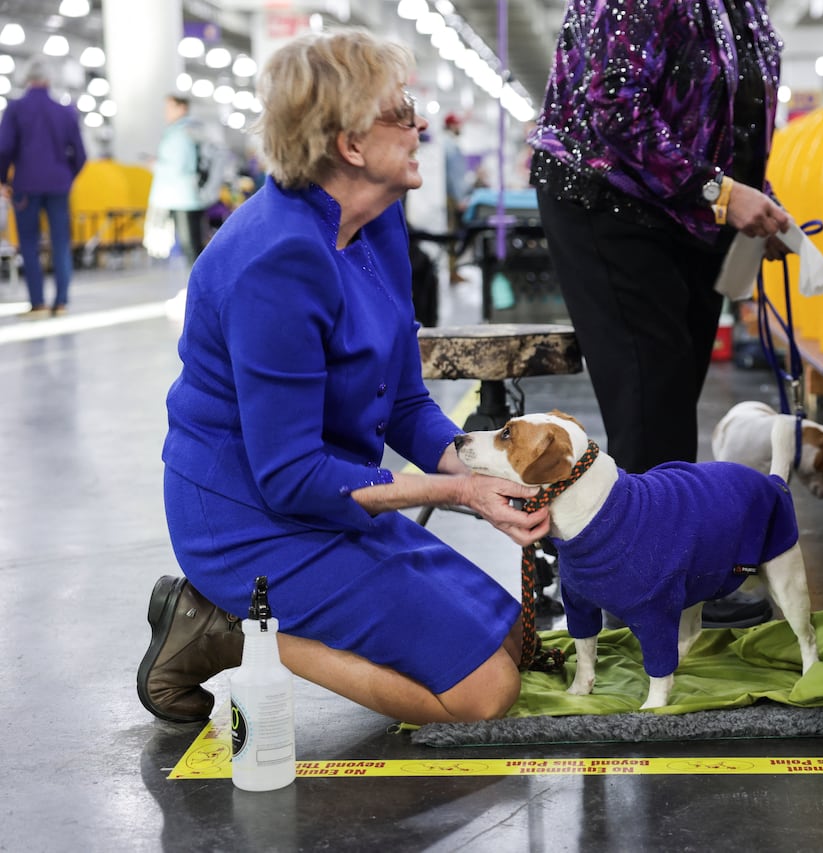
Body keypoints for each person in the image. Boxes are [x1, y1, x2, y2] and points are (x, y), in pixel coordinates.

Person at [136, 28, 550, 727]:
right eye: (402, 111)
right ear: (350, 146)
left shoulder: (377, 224)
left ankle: (248, 616)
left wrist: (487, 471)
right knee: (484, 694)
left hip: (325, 491)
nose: (420, 124)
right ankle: (227, 624)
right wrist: (459, 491)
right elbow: (290, 474)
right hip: (249, 518)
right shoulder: (277, 262)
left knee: (519, 640)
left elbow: (408, 398)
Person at [528, 0, 792, 627]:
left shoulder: (742, 9)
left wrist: (754, 202)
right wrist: (721, 192)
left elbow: (731, 118)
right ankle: (642, 596)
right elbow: (615, 109)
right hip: (608, 200)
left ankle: (673, 584)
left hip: (689, 212)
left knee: (672, 399)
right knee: (650, 397)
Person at [0, 59, 87, 318]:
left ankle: (37, 304)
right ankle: (61, 303)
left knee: (29, 243)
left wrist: (2, 179)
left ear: (26, 78)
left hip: (26, 184)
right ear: (50, 79)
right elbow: (80, 154)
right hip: (59, 185)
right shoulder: (65, 111)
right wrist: (66, 177)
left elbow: (4, 147)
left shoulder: (16, 109)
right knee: (61, 243)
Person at [147, 94, 209, 265]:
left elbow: (179, 167)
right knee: (191, 246)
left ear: (182, 108)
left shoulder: (181, 133)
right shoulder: (183, 131)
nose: (166, 112)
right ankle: (197, 286)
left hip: (184, 198)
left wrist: (156, 165)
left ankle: (199, 288)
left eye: (170, 108)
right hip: (182, 197)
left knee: (192, 247)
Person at [441, 112, 472, 284]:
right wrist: (461, 198)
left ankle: (454, 270)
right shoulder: (450, 146)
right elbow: (454, 175)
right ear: (452, 125)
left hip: (450, 194)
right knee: (452, 233)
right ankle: (452, 272)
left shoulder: (447, 144)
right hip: (452, 196)